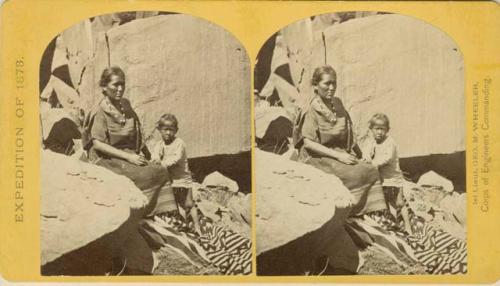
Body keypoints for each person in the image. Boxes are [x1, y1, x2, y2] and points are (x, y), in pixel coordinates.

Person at [292, 65, 387, 274]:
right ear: (315, 86)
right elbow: (308, 143)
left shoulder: (338, 104)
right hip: (318, 157)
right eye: (326, 83)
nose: (331, 88)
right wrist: (339, 156)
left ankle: (369, 213)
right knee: (352, 173)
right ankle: (350, 214)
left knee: (369, 169)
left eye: (334, 83)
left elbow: (349, 133)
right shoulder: (311, 110)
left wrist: (358, 154)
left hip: (339, 152)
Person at [82, 66, 176, 274]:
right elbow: (97, 144)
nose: (120, 89)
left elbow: (137, 135)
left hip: (128, 154)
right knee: (143, 174)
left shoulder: (125, 105)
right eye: (115, 84)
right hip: (109, 159)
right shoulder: (100, 112)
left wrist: (145, 156)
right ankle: (142, 213)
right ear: (104, 87)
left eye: (122, 84)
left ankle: (161, 212)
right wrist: (129, 157)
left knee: (159, 170)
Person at [151, 113, 202, 235]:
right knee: (177, 204)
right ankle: (184, 227)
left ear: (176, 131)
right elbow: (154, 156)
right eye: (165, 130)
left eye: (171, 130)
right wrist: (155, 159)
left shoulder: (179, 143)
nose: (168, 133)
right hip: (171, 180)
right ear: (160, 130)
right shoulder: (159, 145)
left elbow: (176, 159)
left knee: (189, 203)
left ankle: (197, 226)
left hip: (182, 179)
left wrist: (161, 163)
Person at [363, 113, 412, 234]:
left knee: (399, 203)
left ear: (387, 130)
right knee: (386, 203)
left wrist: (373, 163)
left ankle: (407, 225)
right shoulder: (372, 141)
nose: (379, 132)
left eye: (382, 129)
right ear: (371, 130)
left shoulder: (390, 142)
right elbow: (366, 152)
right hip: (382, 179)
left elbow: (387, 158)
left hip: (393, 179)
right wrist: (366, 157)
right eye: (376, 129)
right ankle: (393, 225)